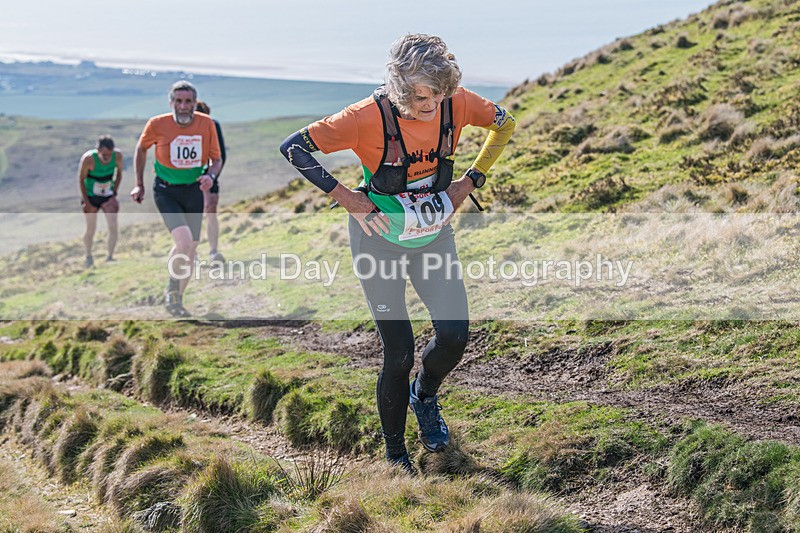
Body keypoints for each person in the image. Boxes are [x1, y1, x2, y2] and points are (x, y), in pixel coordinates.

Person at [280, 34, 515, 472]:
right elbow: (293, 147)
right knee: (399, 351)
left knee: (455, 335)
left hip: (434, 238)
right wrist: (346, 197)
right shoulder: (364, 116)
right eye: (423, 97)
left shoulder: (455, 101)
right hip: (378, 243)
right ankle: (396, 455)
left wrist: (470, 181)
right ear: (401, 87)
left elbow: (506, 123)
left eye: (441, 95)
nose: (434, 106)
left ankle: (424, 396)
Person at [131, 81, 222, 317]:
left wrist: (210, 176)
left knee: (189, 249)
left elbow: (216, 160)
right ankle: (172, 291)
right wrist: (139, 183)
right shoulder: (157, 124)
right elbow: (141, 149)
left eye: (188, 101)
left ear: (195, 103)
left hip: (192, 191)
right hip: (166, 190)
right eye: (178, 101)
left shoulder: (207, 124)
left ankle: (177, 301)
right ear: (171, 102)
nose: (183, 106)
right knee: (183, 242)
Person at [77, 135, 123, 268]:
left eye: (109, 154)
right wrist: (86, 201)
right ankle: (88, 256)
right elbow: (81, 180)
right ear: (98, 151)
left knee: (113, 225)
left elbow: (119, 174)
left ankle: (110, 256)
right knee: (91, 228)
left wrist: (114, 193)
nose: (107, 157)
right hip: (91, 196)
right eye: (104, 154)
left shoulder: (118, 156)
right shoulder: (88, 159)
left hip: (107, 195)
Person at [195, 100, 227, 264]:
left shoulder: (214, 125)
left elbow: (221, 156)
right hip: (189, 176)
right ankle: (191, 252)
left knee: (210, 210)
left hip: (209, 175)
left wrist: (212, 177)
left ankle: (213, 251)